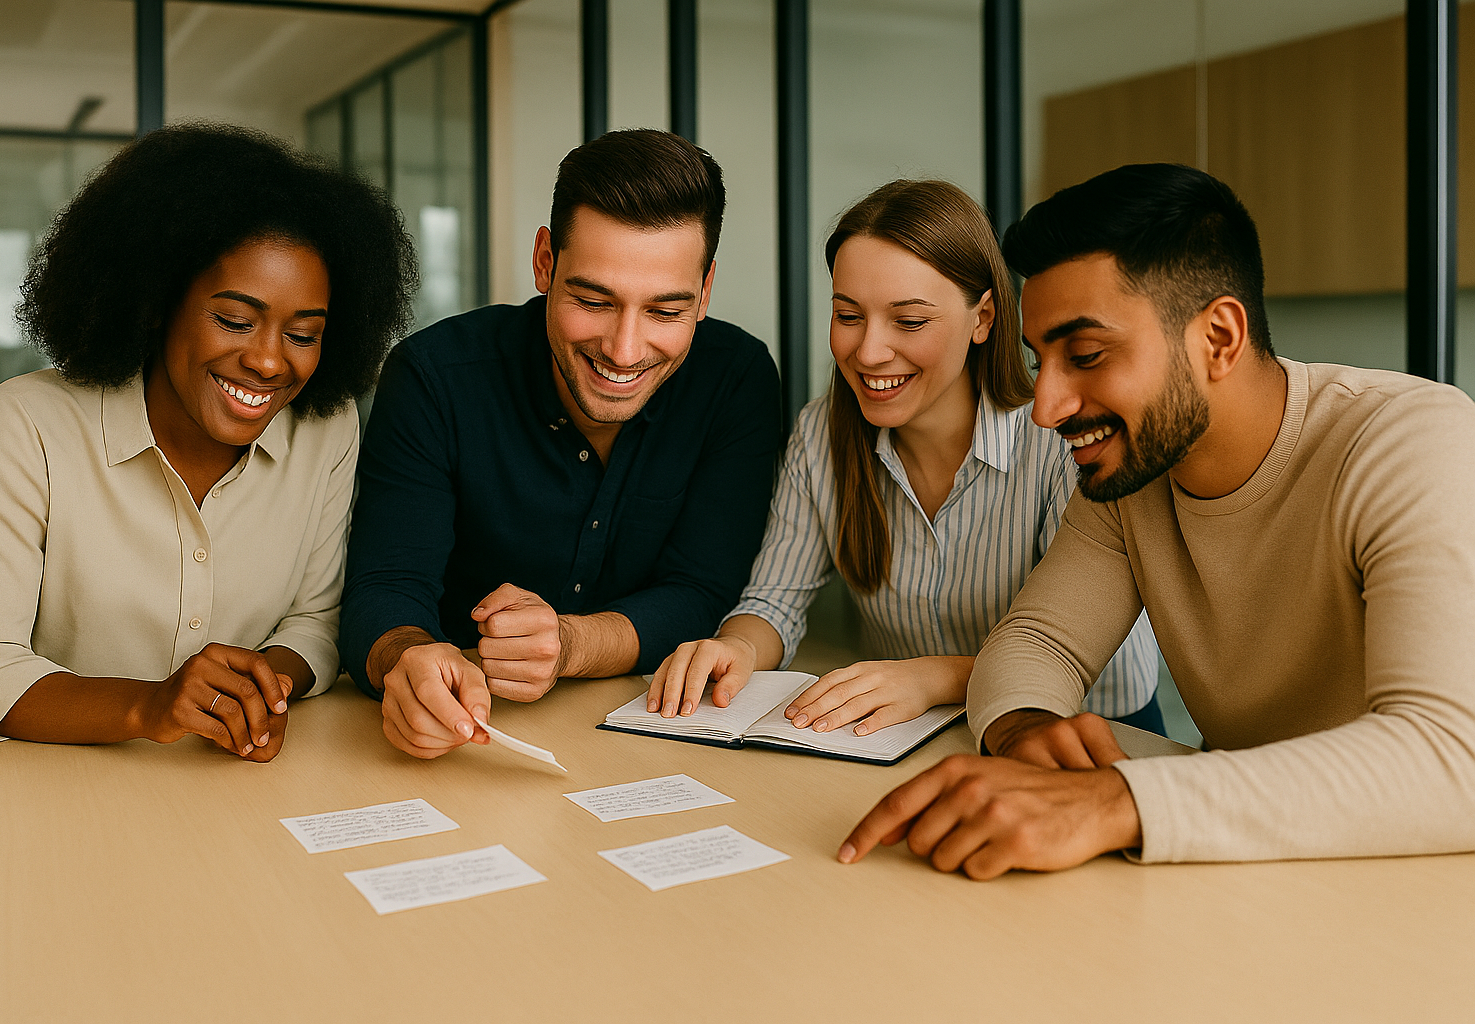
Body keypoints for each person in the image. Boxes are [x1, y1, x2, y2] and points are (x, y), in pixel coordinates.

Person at [839, 162, 1475, 877]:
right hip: (1253, 873)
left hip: (1421, 894)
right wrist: (1028, 736)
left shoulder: (1415, 442)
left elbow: (1450, 755)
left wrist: (1114, 803)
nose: (1045, 407)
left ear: (1219, 338)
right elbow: (1037, 642)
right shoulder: (1137, 471)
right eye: (1040, 360)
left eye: (1085, 356)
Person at [0, 123, 416, 759]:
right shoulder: (25, 427)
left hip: (234, 798)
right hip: (50, 803)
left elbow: (315, 622)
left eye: (303, 334)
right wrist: (151, 705)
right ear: (158, 300)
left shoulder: (324, 430)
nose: (271, 363)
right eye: (235, 321)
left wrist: (253, 693)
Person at [649, 179, 1159, 733]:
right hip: (918, 732)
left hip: (1092, 727)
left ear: (983, 318)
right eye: (848, 316)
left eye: (910, 321)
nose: (868, 352)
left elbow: (1091, 658)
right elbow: (774, 600)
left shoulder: (1061, 439)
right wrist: (736, 647)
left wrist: (932, 679)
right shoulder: (822, 433)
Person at [340, 128, 781, 759]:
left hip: (663, 742)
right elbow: (383, 588)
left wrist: (570, 644)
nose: (625, 352)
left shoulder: (735, 380)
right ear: (545, 262)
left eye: (665, 312)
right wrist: (407, 658)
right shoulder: (432, 377)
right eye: (593, 300)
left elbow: (703, 591)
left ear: (705, 290)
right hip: (467, 738)